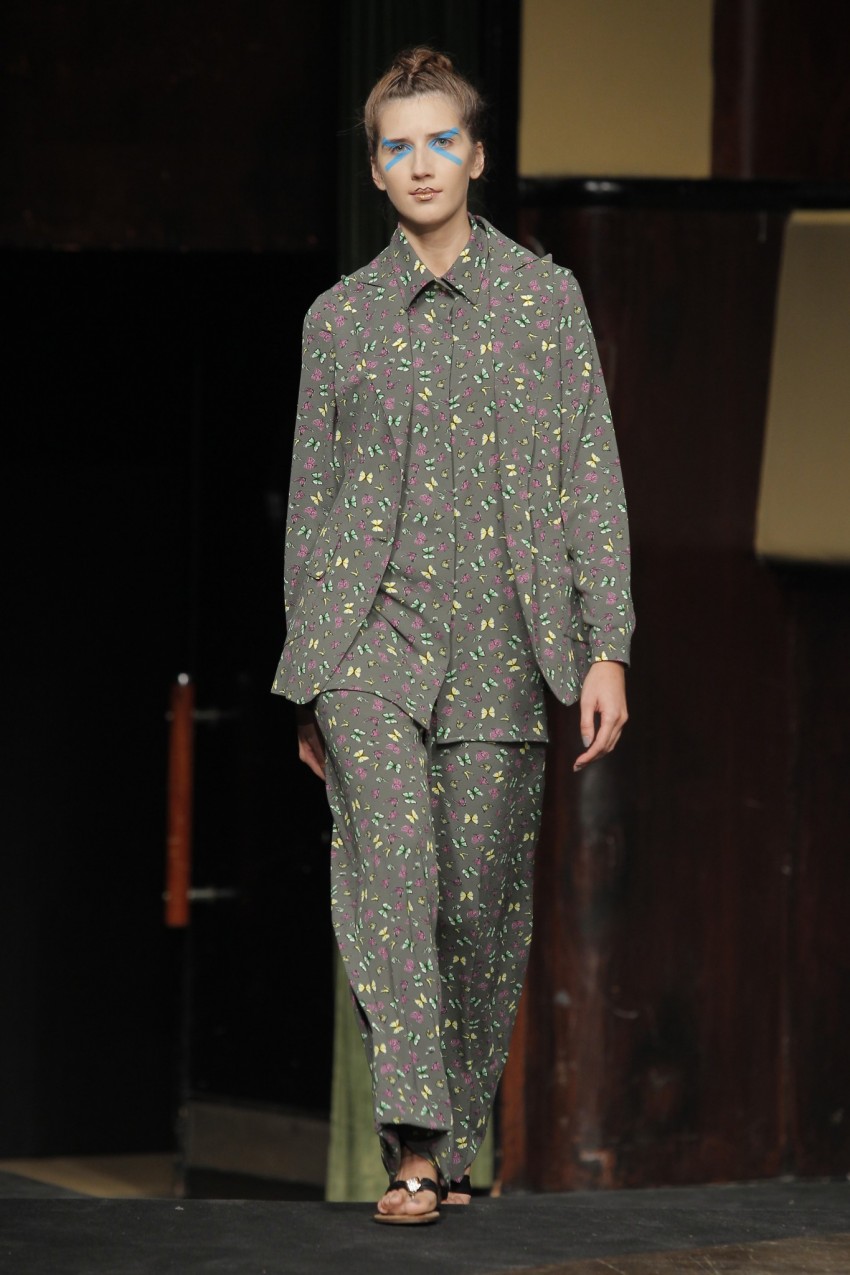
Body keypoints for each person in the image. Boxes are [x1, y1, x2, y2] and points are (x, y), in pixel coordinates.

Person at [271, 47, 634, 1224]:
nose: (420, 163)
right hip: (365, 647)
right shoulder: (339, 320)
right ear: (375, 170)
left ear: (475, 157)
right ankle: (415, 1148)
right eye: (396, 146)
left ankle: (459, 1139)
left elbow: (589, 480)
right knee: (394, 878)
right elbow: (311, 508)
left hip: (503, 646)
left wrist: (606, 646)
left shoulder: (544, 301)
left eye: (440, 141)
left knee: (476, 909)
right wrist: (307, 678)